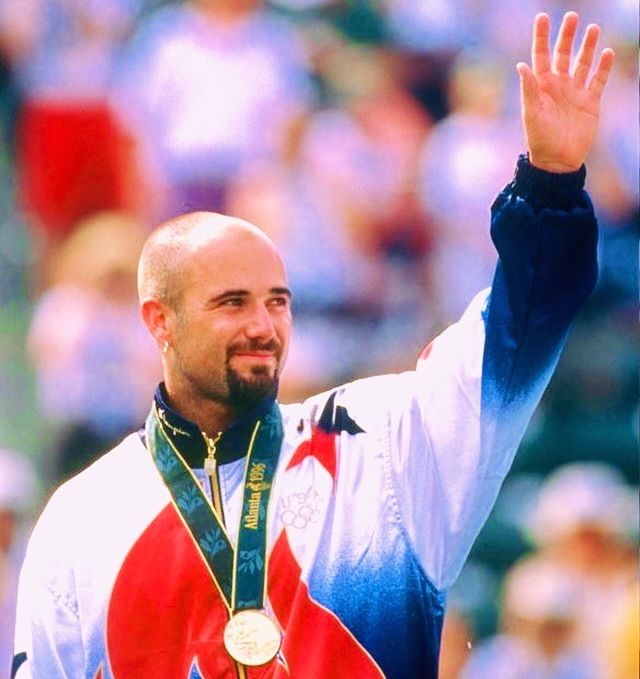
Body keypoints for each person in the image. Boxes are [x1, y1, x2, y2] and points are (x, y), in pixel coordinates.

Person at [12, 11, 614, 679]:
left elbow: (511, 337)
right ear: (159, 322)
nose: (263, 326)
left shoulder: (380, 447)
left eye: (278, 301)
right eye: (232, 303)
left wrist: (550, 184)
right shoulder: (85, 511)